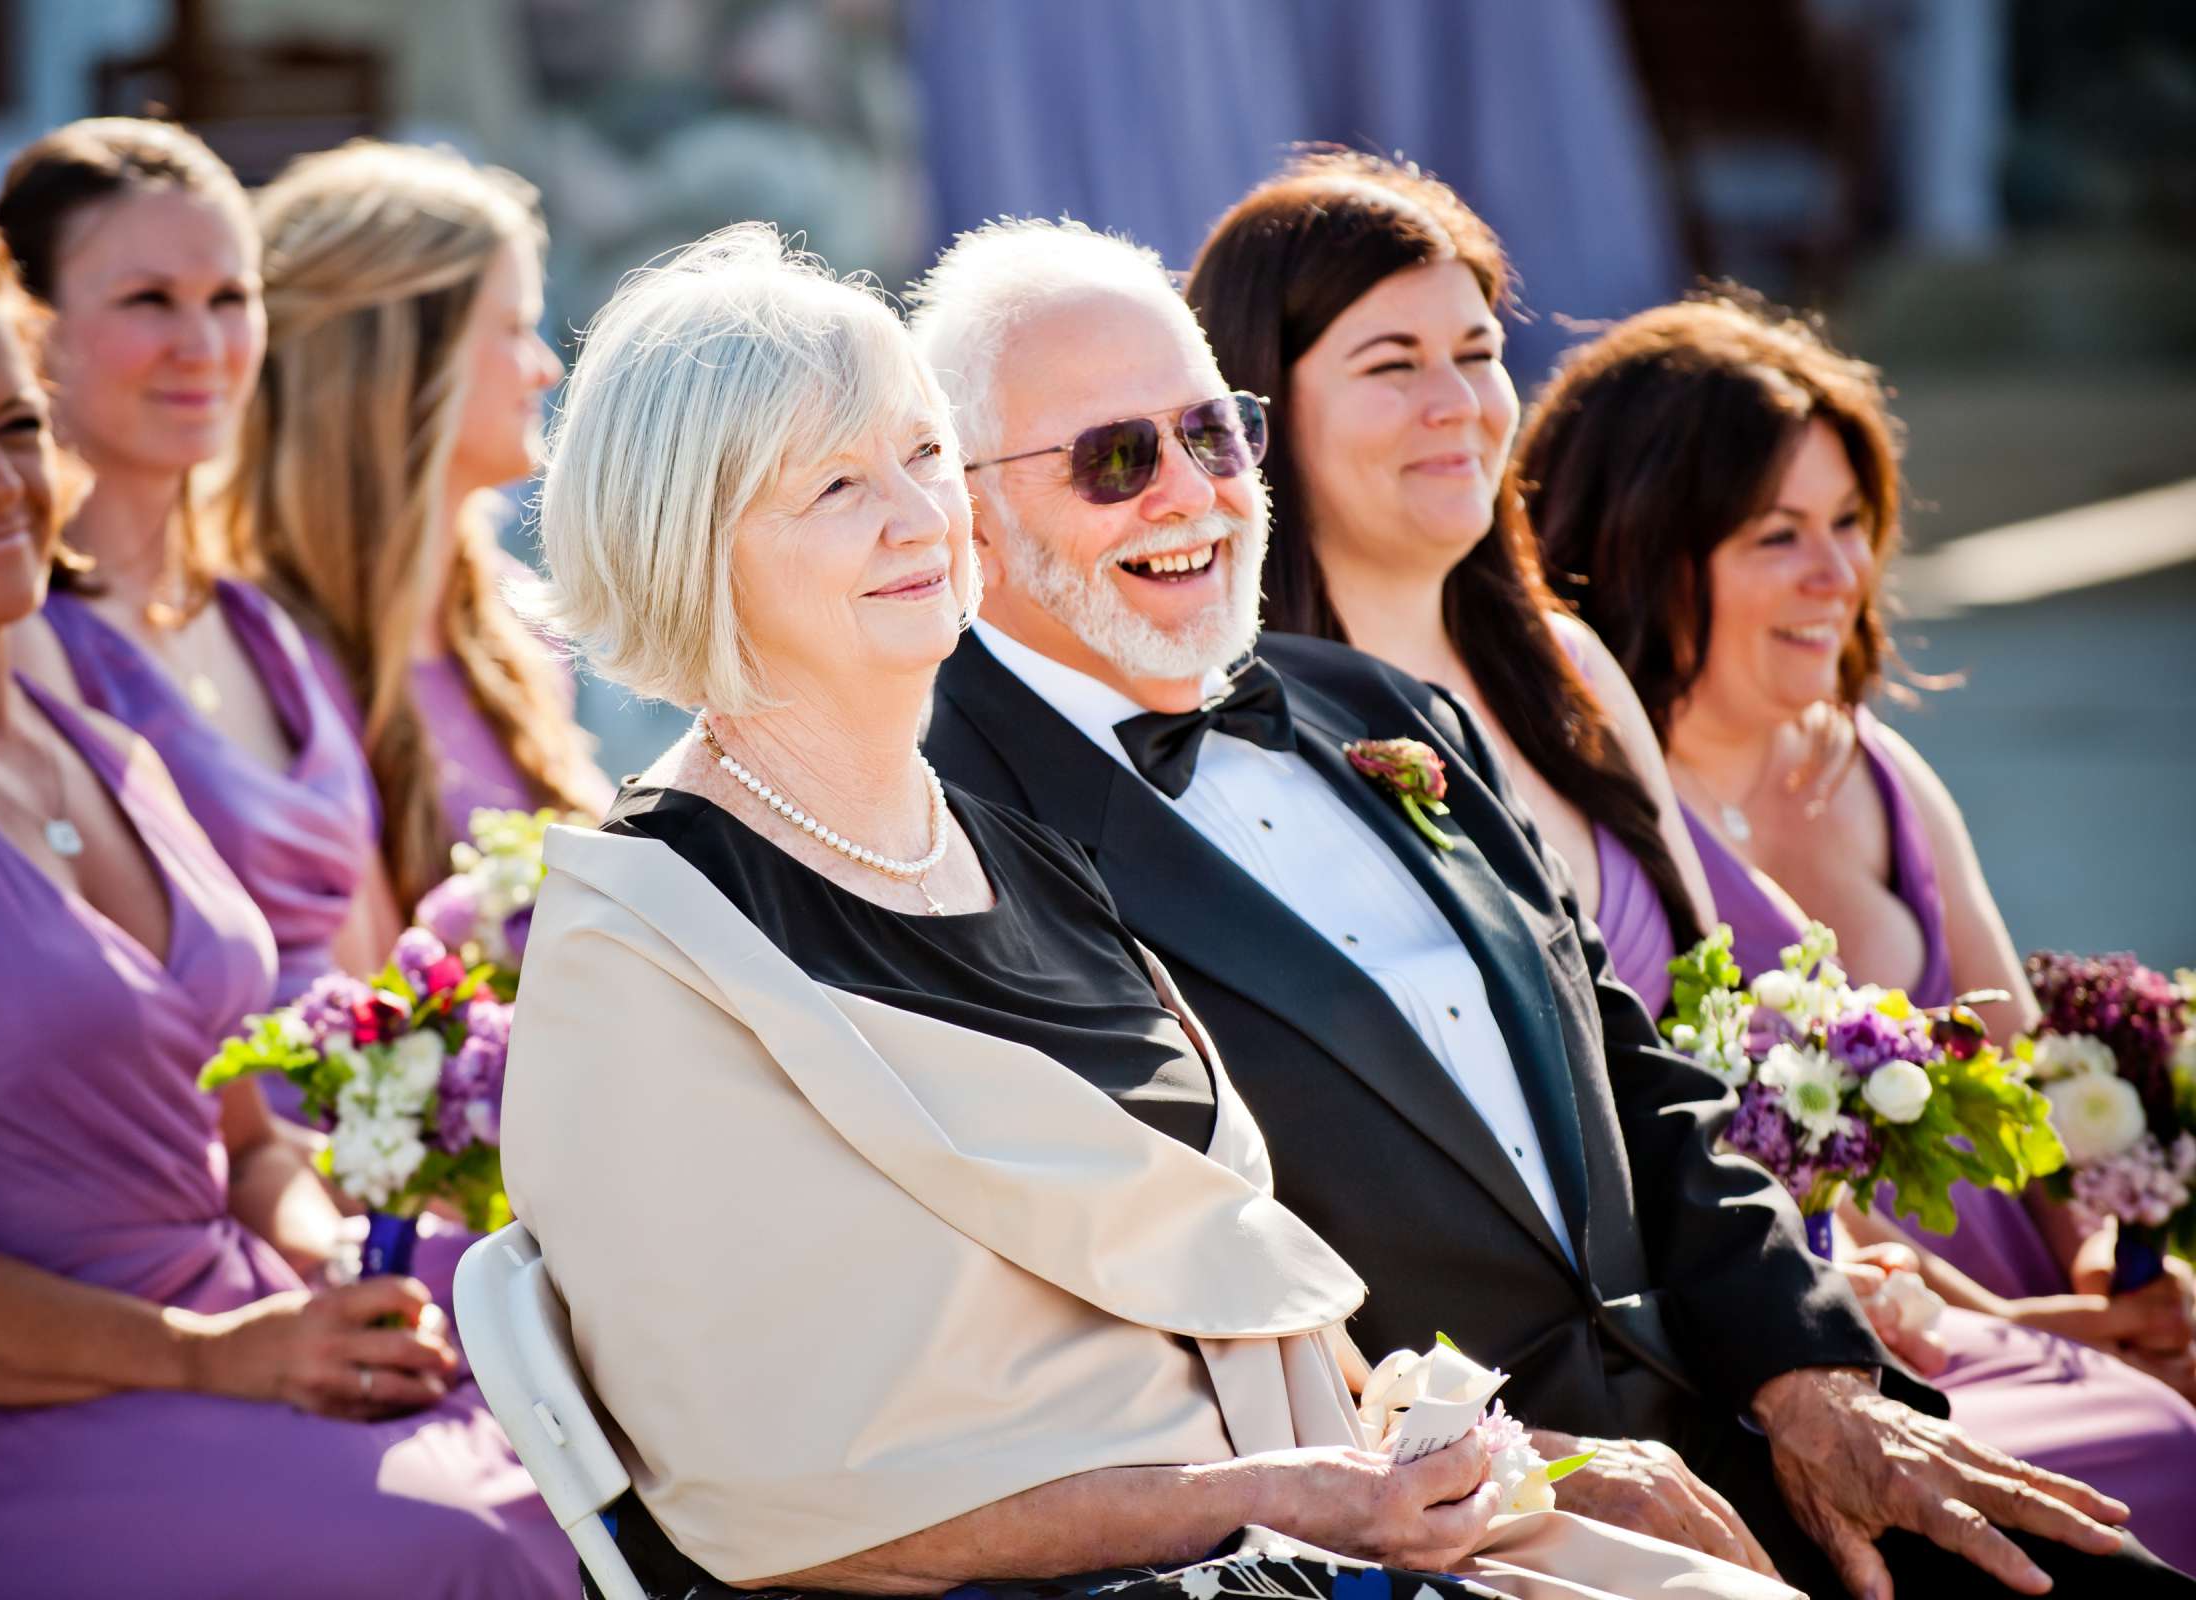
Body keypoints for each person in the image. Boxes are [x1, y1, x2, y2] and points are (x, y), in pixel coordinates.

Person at [506, 223, 1802, 1600]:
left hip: (1299, 1529)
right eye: (834, 483)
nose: (920, 516)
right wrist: (1276, 1495)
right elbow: (775, 1503)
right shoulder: (642, 936)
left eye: (925, 454)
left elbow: (1235, 1309)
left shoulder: (1010, 850)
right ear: (687, 550)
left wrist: (1491, 1460)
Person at [910, 216, 2180, 1598]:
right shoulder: (943, 825)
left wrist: (1815, 1380)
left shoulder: (1379, 707)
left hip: (1740, 1428)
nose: (1191, 493)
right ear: (965, 506)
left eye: (1212, 433)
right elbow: (1130, 1317)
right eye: (1115, 458)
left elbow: (1644, 1075)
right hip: (1466, 1539)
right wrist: (1538, 1474)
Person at [0, 205, 574, 1597]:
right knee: (455, 1550)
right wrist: (215, 1358)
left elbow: (242, 1145)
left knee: (597, 1461)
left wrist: (328, 1263)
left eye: (19, 426)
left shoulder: (104, 747)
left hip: (227, 1337)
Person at [1519, 291, 2196, 1569]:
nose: (1837, 575)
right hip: (1834, 1333)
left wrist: (2117, 1272)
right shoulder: (1593, 823)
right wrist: (2044, 1331)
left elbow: (2042, 1081)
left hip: (2042, 1305)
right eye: (1778, 536)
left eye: (1847, 525)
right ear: (1648, 544)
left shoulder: (1881, 772)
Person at [1181, 149, 1711, 1016]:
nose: (1459, 402)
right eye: (1394, 364)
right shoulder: (1219, 735)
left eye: (1478, 352)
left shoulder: (1570, 664)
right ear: (1258, 407)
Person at [0, 117, 395, 1006]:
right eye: (149, 300)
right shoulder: (19, 646)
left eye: (229, 298)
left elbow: (371, 957)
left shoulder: (269, 626)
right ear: (32, 329)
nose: (204, 346)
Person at [219, 139, 610, 913]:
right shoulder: (248, 652)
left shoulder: (513, 615)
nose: (546, 368)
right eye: (512, 328)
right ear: (394, 361)